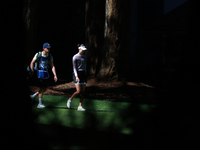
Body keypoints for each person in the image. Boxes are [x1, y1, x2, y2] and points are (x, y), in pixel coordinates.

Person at [29, 43, 58, 108]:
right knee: (42, 88)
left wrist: (55, 75)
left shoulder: (50, 56)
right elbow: (32, 62)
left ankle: (33, 96)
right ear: (43, 48)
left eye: (49, 48)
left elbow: (52, 66)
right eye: (47, 48)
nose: (49, 49)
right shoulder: (38, 54)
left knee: (44, 88)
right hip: (39, 74)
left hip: (46, 74)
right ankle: (40, 104)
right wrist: (32, 71)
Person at [67, 44, 87, 111]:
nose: (83, 51)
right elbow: (74, 68)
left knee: (83, 91)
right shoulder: (75, 57)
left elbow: (84, 66)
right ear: (79, 49)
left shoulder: (84, 57)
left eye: (84, 50)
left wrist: (85, 74)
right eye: (82, 50)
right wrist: (76, 76)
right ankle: (70, 100)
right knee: (78, 91)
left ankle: (80, 106)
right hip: (77, 74)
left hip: (83, 74)